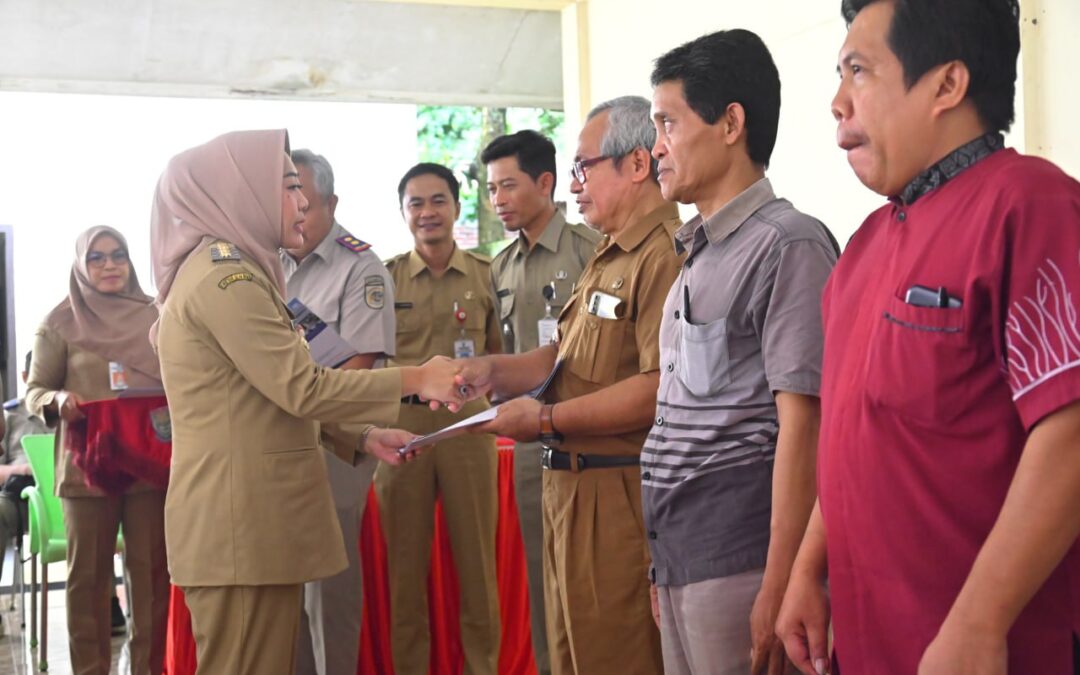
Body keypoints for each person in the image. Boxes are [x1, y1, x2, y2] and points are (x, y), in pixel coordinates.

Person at [775, 1, 1080, 673]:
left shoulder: (1029, 204)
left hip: (984, 648)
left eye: (859, 70)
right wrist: (807, 567)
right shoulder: (863, 248)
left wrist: (980, 620)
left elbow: (1071, 430)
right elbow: (859, 431)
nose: (836, 101)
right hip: (870, 640)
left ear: (946, 84)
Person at [151, 130, 463, 675]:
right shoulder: (227, 279)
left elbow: (261, 400)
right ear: (240, 191)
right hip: (240, 527)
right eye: (288, 188)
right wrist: (418, 377)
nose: (302, 203)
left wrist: (361, 435)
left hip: (249, 527)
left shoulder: (235, 270)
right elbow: (304, 386)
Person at [457, 95, 682, 675]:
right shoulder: (609, 254)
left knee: (619, 654)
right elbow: (568, 357)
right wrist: (494, 371)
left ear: (636, 166)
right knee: (570, 652)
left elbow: (658, 387)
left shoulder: (661, 256)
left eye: (584, 167)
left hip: (618, 493)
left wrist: (545, 421)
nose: (574, 184)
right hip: (572, 487)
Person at [643, 30, 837, 675]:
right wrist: (660, 563)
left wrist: (782, 581)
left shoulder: (787, 246)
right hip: (682, 560)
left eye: (669, 122)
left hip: (744, 562)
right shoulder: (697, 255)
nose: (656, 147)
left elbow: (804, 426)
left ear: (731, 123)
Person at [374, 162, 502, 675]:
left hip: (469, 429)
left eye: (438, 200)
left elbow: (499, 355)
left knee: (477, 568)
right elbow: (372, 361)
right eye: (416, 203)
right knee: (405, 571)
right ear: (403, 212)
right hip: (403, 432)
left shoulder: (486, 274)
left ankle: (483, 668)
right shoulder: (383, 278)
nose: (428, 212)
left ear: (456, 206)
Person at [25, 226, 170, 675]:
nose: (109, 265)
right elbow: (34, 391)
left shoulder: (156, 315)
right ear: (81, 266)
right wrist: (57, 401)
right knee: (87, 581)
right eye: (97, 258)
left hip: (149, 463)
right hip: (87, 468)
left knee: (151, 579)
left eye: (119, 255)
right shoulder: (59, 322)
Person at [481, 129, 599, 675]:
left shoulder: (590, 250)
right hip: (530, 444)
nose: (498, 199)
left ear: (545, 182)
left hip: (591, 438)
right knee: (541, 580)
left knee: (591, 583)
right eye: (491, 189)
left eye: (508, 186)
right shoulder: (499, 267)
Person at [281, 149, 397, 675]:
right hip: (283, 445)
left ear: (330, 201)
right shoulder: (269, 262)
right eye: (289, 197)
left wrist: (298, 391)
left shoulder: (361, 267)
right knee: (288, 598)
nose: (297, 210)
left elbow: (359, 368)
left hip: (340, 445)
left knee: (328, 595)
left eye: (305, 198)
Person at [0, 351, 48, 596]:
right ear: (25, 376)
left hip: (68, 497)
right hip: (22, 498)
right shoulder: (10, 417)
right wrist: (23, 469)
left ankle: (109, 602)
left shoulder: (74, 412)